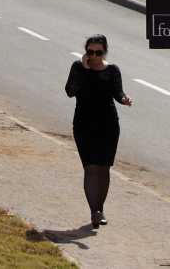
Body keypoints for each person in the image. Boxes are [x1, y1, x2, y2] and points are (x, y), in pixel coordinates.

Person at [64, 34, 132, 228]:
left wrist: (125, 99)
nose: (94, 56)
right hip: (84, 125)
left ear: (104, 52)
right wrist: (85, 68)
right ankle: (94, 211)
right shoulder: (78, 68)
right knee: (91, 168)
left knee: (103, 169)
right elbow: (70, 91)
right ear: (86, 52)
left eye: (98, 52)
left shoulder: (112, 70)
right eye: (90, 52)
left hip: (108, 125)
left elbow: (118, 93)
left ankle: (99, 209)